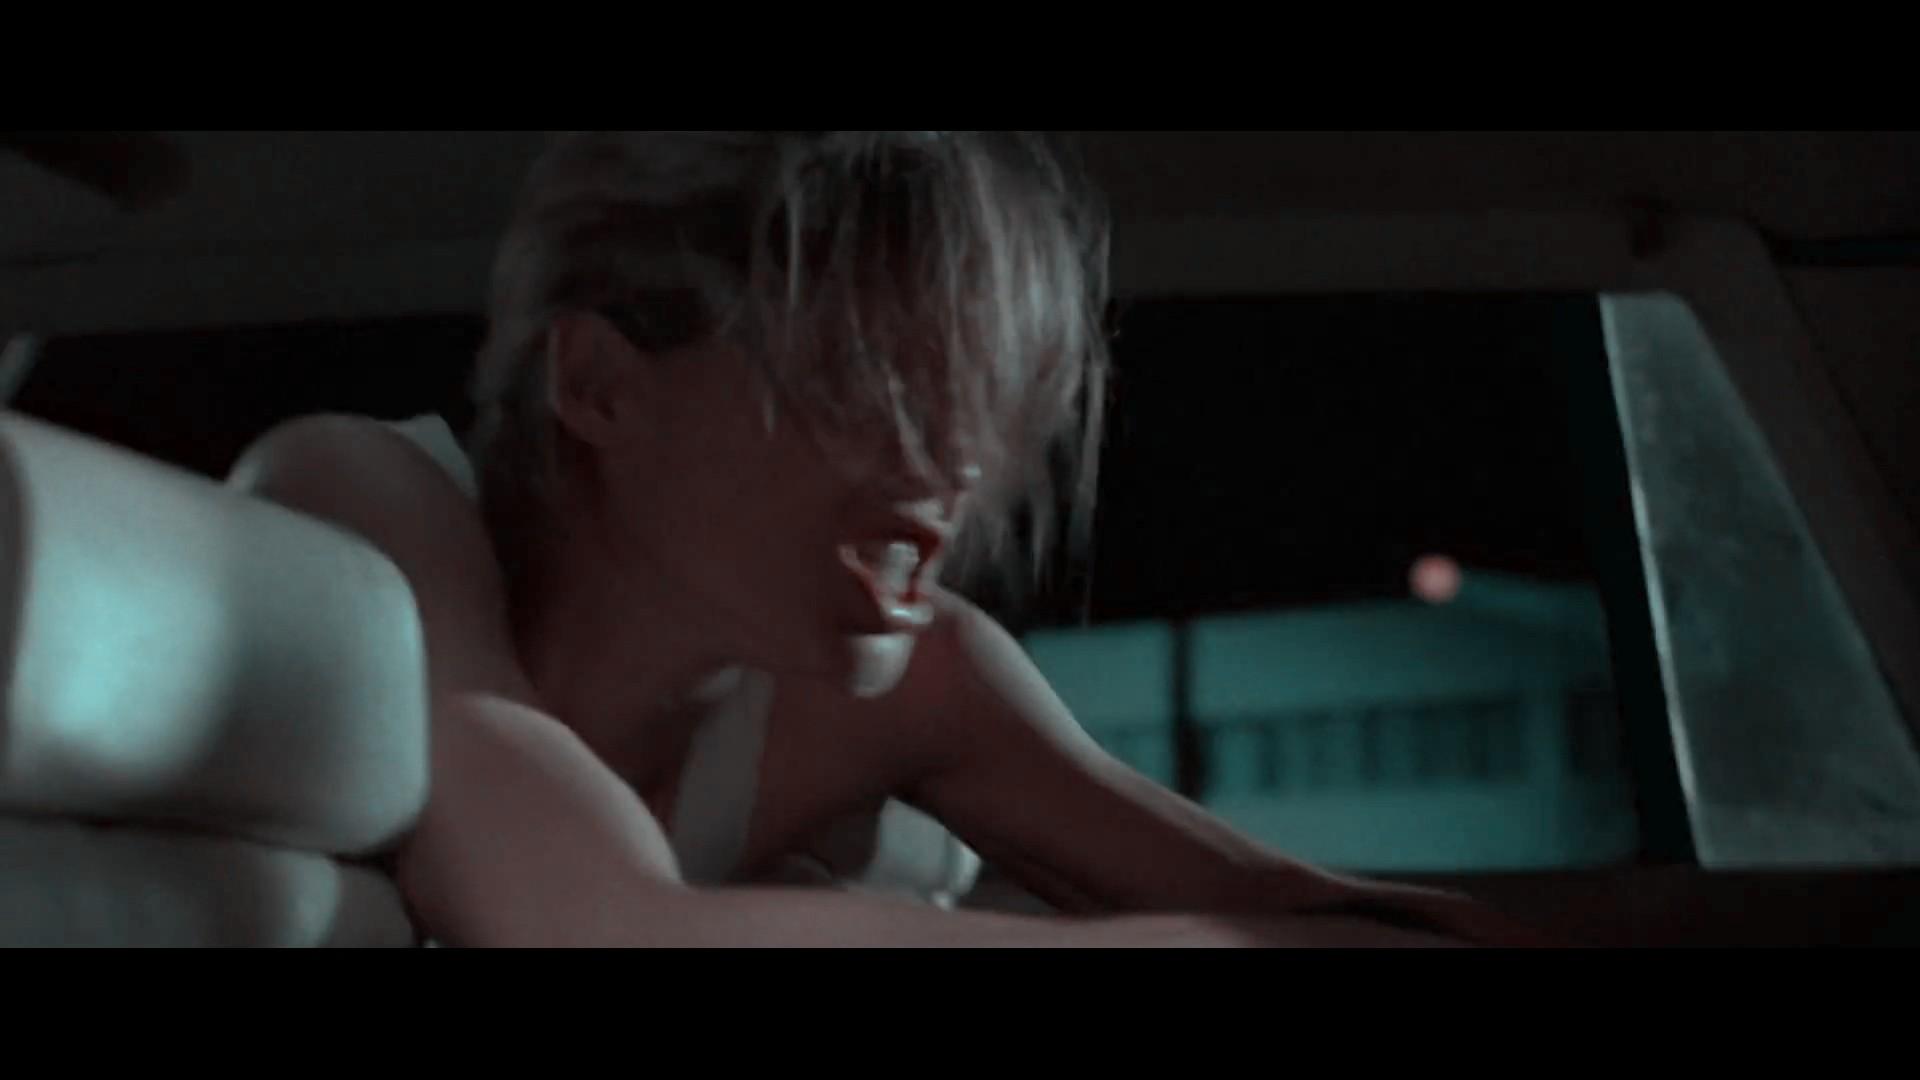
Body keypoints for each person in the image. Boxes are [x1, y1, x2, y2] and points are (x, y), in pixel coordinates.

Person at [230, 131, 1542, 947]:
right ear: (601, 386)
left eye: (967, 397)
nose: (947, 466)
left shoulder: (917, 680)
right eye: (862, 382)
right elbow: (592, 927)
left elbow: (1282, 898)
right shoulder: (361, 492)